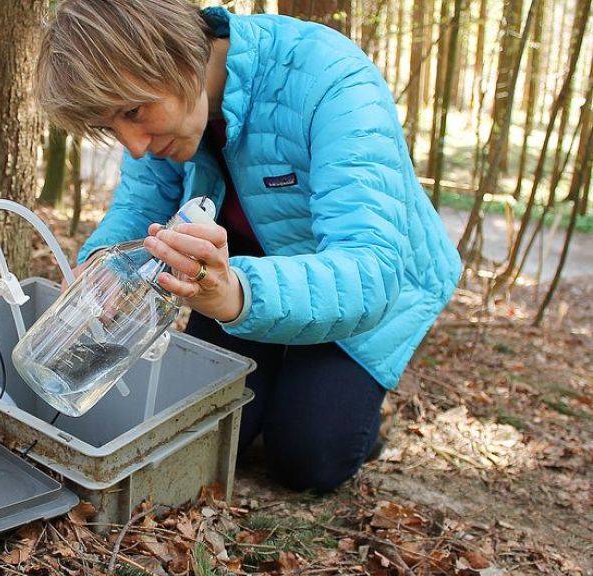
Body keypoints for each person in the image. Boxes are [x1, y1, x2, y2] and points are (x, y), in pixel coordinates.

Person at [34, 0, 462, 492]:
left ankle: (344, 410)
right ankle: (275, 366)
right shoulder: (160, 109)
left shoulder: (333, 80)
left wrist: (236, 294)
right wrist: (100, 269)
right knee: (206, 434)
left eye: (133, 112)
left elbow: (370, 268)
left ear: (177, 53)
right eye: (113, 127)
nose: (134, 145)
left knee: (306, 459)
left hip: (363, 281)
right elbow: (137, 210)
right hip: (240, 270)